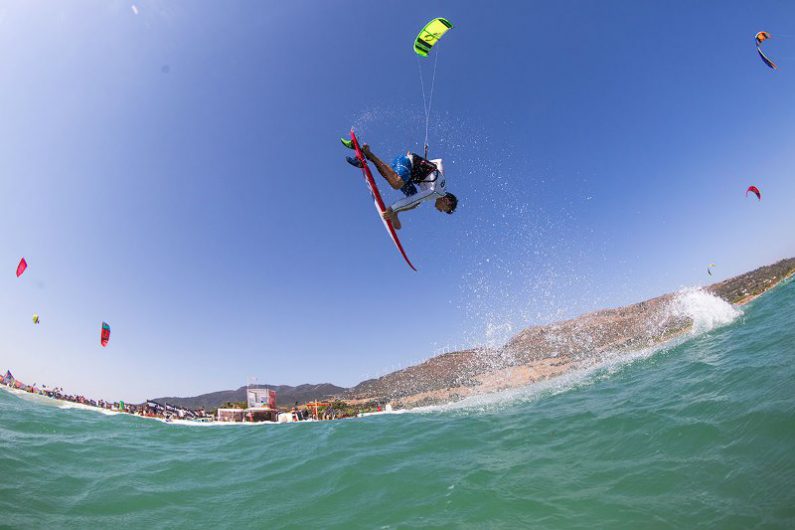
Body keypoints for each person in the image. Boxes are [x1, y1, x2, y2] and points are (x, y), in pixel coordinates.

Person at [346, 144, 457, 229]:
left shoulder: (442, 183)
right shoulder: (437, 192)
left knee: (416, 204)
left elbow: (439, 161)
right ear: (447, 201)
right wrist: (392, 208)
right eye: (445, 209)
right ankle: (369, 154)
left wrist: (424, 162)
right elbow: (414, 199)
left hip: (406, 172)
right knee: (397, 184)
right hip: (406, 163)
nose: (441, 211)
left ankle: (396, 213)